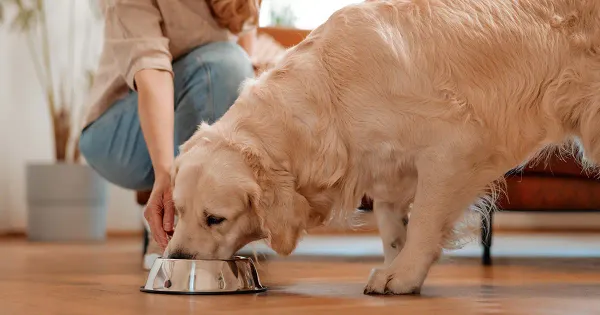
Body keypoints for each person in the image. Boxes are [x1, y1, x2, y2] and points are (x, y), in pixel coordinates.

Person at [79, 0, 259, 268]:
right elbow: (152, 73)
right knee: (224, 64)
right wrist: (166, 174)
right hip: (117, 134)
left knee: (232, 64)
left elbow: (245, 66)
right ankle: (172, 229)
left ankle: (193, 227)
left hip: (197, 97)